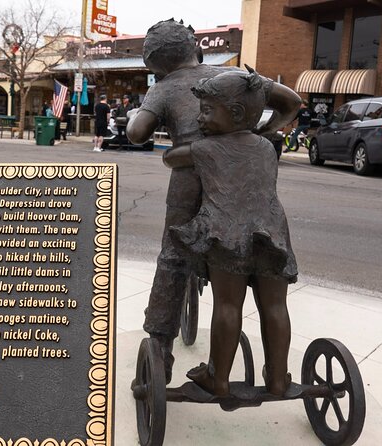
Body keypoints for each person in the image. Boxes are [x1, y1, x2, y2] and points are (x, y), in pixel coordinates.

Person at [126, 19, 300, 384]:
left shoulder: (162, 88)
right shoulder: (233, 75)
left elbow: (138, 134)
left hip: (191, 177)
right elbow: (292, 102)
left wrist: (136, 115)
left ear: (154, 64)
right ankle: (274, 372)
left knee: (173, 258)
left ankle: (161, 349)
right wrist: (262, 131)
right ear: (194, 48)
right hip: (241, 176)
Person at [169, 68, 297, 397]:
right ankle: (278, 379)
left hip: (227, 234)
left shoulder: (205, 150)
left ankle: (218, 378)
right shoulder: (268, 148)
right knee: (275, 306)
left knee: (228, 305)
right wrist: (265, 124)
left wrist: (188, 143)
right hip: (272, 234)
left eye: (208, 111)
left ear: (236, 113)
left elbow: (171, 159)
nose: (200, 119)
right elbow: (292, 104)